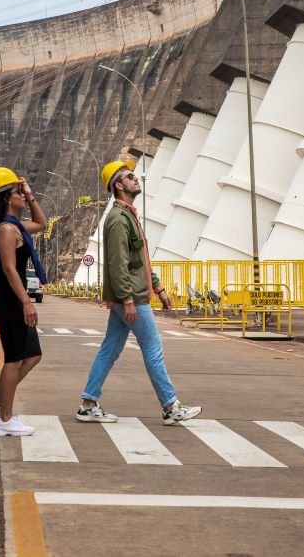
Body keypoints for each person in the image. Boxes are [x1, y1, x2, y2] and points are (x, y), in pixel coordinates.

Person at [76, 160, 202, 426]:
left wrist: (159, 288)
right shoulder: (119, 219)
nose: (137, 179)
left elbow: (139, 260)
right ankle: (170, 407)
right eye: (130, 176)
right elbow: (118, 263)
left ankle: (88, 403)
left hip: (133, 295)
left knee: (109, 350)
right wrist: (128, 300)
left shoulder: (128, 216)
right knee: (153, 348)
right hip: (131, 298)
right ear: (119, 185)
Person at [0, 167, 46, 437]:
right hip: (8, 299)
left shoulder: (16, 226)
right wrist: (26, 302)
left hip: (12, 298)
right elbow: (9, 269)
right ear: (7, 197)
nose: (22, 194)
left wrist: (31, 197)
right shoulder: (7, 229)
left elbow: (41, 224)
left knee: (32, 355)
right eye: (18, 191)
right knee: (15, 359)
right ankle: (5, 419)